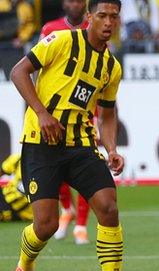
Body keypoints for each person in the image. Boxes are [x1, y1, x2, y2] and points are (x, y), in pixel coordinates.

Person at [8, 0, 136, 271]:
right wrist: (42, 113)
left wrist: (112, 149)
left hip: (80, 144)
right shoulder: (62, 41)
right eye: (103, 15)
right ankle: (24, 268)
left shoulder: (111, 67)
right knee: (46, 225)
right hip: (41, 142)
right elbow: (18, 71)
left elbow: (106, 115)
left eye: (114, 17)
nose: (108, 22)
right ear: (90, 17)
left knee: (108, 207)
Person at [39, 0, 92, 245]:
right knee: (56, 171)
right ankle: (66, 211)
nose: (75, 4)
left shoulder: (95, 27)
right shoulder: (51, 29)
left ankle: (80, 226)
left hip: (84, 109)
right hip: (55, 112)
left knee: (86, 169)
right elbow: (37, 66)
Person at [0, 153, 32, 222]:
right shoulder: (19, 159)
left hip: (24, 210)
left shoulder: (50, 168)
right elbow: (3, 171)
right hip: (6, 195)